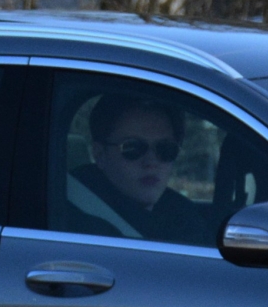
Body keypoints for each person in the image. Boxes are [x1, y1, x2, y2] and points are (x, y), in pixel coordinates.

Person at [67, 93, 211, 242]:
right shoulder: (76, 222)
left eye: (165, 149)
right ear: (100, 154)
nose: (151, 162)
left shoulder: (184, 216)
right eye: (132, 148)